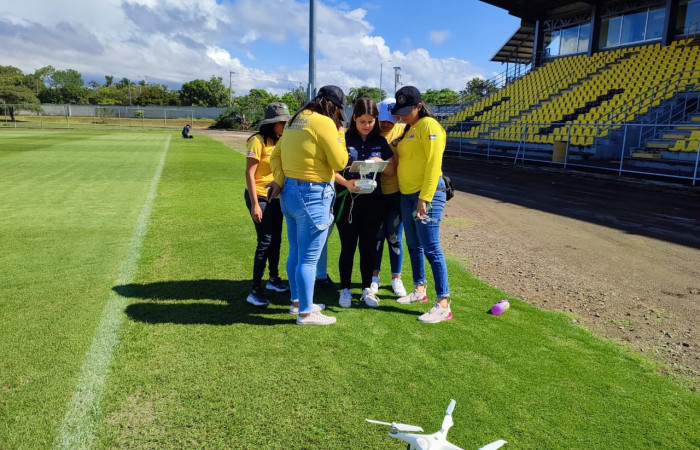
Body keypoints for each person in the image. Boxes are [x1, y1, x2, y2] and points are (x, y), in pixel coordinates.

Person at [269, 85, 349, 325]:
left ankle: (298, 303)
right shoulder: (324, 123)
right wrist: (340, 134)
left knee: (296, 252)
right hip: (313, 193)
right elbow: (340, 161)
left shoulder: (295, 120)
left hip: (290, 191)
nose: (338, 116)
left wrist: (280, 180)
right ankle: (305, 313)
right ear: (332, 106)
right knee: (309, 258)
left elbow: (275, 156)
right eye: (338, 111)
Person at [391, 86, 452, 323]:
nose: (402, 116)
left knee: (431, 247)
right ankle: (419, 289)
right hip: (407, 194)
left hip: (426, 195)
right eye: (400, 112)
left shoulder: (429, 126)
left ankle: (443, 304)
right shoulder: (411, 128)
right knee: (413, 245)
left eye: (407, 111)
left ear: (419, 106)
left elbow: (434, 164)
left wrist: (424, 198)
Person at [334, 97, 394, 308]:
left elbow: (391, 170)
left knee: (368, 247)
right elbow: (330, 169)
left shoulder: (380, 141)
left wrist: (380, 162)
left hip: (373, 202)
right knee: (348, 246)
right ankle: (345, 289)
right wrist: (347, 182)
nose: (367, 125)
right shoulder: (344, 138)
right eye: (362, 121)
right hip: (347, 202)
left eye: (370, 121)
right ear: (354, 118)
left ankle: (367, 289)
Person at [244, 103, 293, 307]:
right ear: (273, 123)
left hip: (275, 197)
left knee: (276, 240)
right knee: (265, 241)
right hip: (260, 196)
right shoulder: (257, 141)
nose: (286, 125)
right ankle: (255, 290)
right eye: (283, 122)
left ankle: (273, 279)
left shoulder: (279, 141)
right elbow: (249, 174)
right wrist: (255, 204)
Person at [370, 98, 407, 297]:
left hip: (396, 192)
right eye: (383, 120)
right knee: (376, 236)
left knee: (394, 237)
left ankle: (396, 278)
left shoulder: (403, 131)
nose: (386, 124)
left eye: (391, 120)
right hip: (374, 193)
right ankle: (374, 277)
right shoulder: (371, 131)